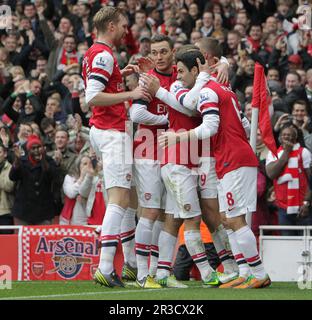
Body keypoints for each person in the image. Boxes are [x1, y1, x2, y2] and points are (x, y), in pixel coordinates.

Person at [158, 48, 271, 290]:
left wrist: (180, 137)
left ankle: (258, 273)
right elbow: (241, 122)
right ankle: (242, 271)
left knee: (234, 219)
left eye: (180, 71)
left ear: (196, 70)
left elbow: (210, 126)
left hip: (233, 159)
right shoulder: (225, 88)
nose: (178, 76)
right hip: (233, 158)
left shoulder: (208, 91)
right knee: (227, 219)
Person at [82, 6, 150, 288]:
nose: (126, 30)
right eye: (123, 25)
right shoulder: (103, 55)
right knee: (120, 200)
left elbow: (100, 87)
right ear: (111, 26)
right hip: (111, 132)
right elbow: (93, 97)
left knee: (122, 199)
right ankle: (106, 266)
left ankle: (129, 264)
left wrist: (119, 74)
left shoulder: (93, 53)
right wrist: (131, 93)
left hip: (103, 131)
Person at [266, 124, 312, 236]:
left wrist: (307, 202)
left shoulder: (304, 152)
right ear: (280, 138)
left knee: (306, 245)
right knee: (288, 243)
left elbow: (310, 180)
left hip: (303, 207)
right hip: (283, 208)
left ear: (295, 137)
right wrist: (286, 153)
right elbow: (271, 174)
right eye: (285, 135)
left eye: (291, 135)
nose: (288, 137)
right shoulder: (273, 154)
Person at [9, 135, 58, 225]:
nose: (36, 151)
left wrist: (43, 161)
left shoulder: (49, 160)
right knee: (23, 238)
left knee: (42, 238)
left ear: (43, 148)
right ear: (28, 150)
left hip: (43, 211)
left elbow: (55, 176)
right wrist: (16, 161)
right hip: (23, 212)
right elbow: (12, 177)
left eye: (38, 147)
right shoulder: (22, 161)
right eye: (33, 148)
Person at [0, 144, 15, 234]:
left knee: (6, 243)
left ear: (5, 154)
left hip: (5, 212)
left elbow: (9, 187)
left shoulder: (10, 168)